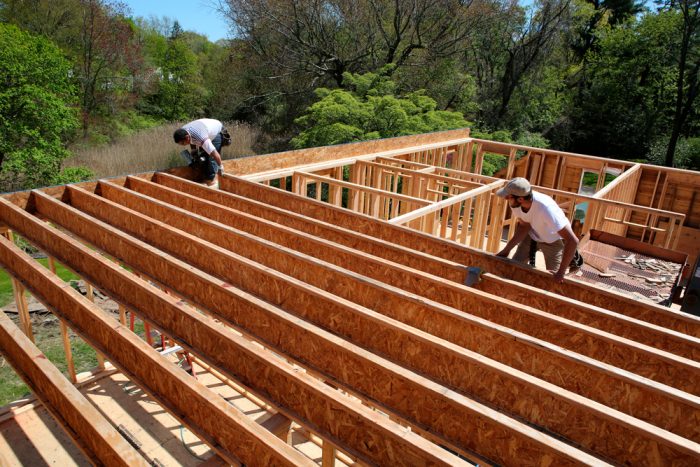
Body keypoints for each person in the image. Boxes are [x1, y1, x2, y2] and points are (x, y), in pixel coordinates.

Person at [495, 177, 579, 283]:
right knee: (514, 268)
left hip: (552, 241)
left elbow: (573, 240)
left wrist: (561, 273)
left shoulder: (546, 209)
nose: (505, 199)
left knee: (554, 280)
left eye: (508, 197)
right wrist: (506, 250)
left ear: (520, 199)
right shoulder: (516, 203)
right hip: (531, 235)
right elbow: (524, 226)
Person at [173, 118, 225, 187]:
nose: (183, 145)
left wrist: (220, 166)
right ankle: (207, 176)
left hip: (216, 131)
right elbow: (191, 139)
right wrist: (193, 150)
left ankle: (212, 182)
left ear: (186, 137)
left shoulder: (201, 138)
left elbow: (215, 154)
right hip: (204, 128)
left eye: (183, 143)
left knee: (210, 158)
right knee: (202, 155)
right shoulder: (183, 131)